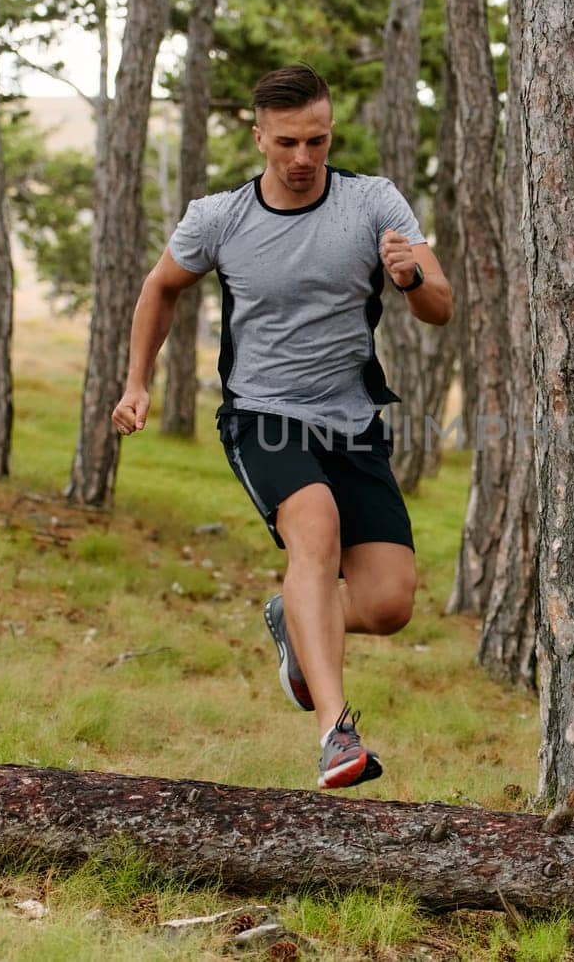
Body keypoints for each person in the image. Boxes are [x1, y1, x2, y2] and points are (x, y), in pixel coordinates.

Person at [111, 64, 452, 790]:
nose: (304, 159)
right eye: (289, 142)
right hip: (263, 414)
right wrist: (138, 382)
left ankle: (291, 615)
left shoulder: (372, 203)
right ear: (259, 133)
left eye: (318, 142)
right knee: (315, 529)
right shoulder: (220, 217)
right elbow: (160, 287)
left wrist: (410, 278)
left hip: (352, 419)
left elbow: (441, 306)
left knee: (390, 603)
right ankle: (336, 731)